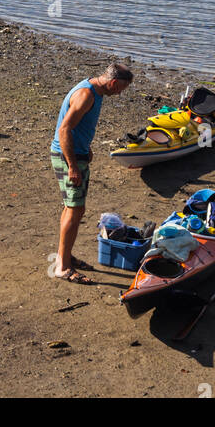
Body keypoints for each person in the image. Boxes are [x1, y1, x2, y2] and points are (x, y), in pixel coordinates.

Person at [50, 62, 133, 283]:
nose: (120, 94)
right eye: (121, 89)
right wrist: (72, 166)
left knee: (72, 208)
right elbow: (64, 129)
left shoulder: (94, 90)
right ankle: (63, 267)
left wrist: (87, 148)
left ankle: (63, 255)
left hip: (77, 154)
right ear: (114, 82)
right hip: (68, 158)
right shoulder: (86, 95)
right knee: (75, 209)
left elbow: (79, 127)